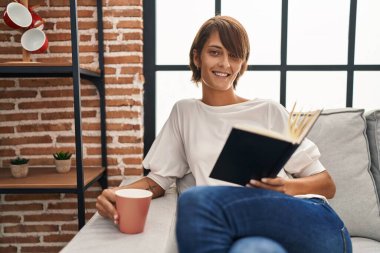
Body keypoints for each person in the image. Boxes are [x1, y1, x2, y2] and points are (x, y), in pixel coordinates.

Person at [96, 16, 352, 253]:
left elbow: (327, 184)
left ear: (242, 64)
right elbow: (159, 181)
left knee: (196, 201)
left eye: (234, 55)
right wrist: (118, 193)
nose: (225, 64)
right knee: (252, 249)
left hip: (312, 223)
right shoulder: (185, 112)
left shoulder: (267, 110)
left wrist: (286, 187)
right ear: (197, 58)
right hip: (245, 233)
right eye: (215, 52)